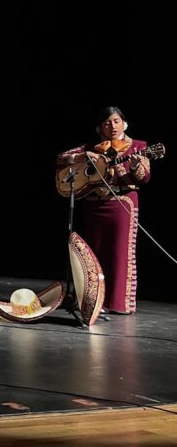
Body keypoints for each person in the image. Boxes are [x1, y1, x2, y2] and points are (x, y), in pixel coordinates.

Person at [57, 107, 151, 314]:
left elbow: (144, 178)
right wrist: (85, 156)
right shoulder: (91, 147)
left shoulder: (137, 146)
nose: (112, 126)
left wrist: (135, 166)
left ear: (124, 123)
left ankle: (119, 304)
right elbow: (62, 157)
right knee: (95, 254)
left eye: (116, 121)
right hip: (94, 205)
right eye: (107, 123)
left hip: (122, 204)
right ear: (99, 127)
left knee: (120, 254)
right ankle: (96, 301)